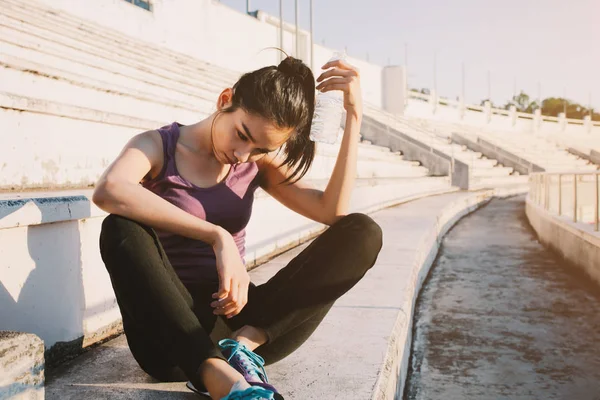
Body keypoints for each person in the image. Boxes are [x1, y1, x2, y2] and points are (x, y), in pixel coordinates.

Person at [92, 55, 383, 400]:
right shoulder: (159, 147)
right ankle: (211, 372)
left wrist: (354, 117)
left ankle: (240, 350)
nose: (243, 155)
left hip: (240, 324)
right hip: (169, 334)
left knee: (363, 232)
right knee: (119, 228)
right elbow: (109, 189)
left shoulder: (256, 164)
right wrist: (217, 237)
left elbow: (332, 211)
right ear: (225, 99)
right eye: (242, 135)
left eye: (260, 148)